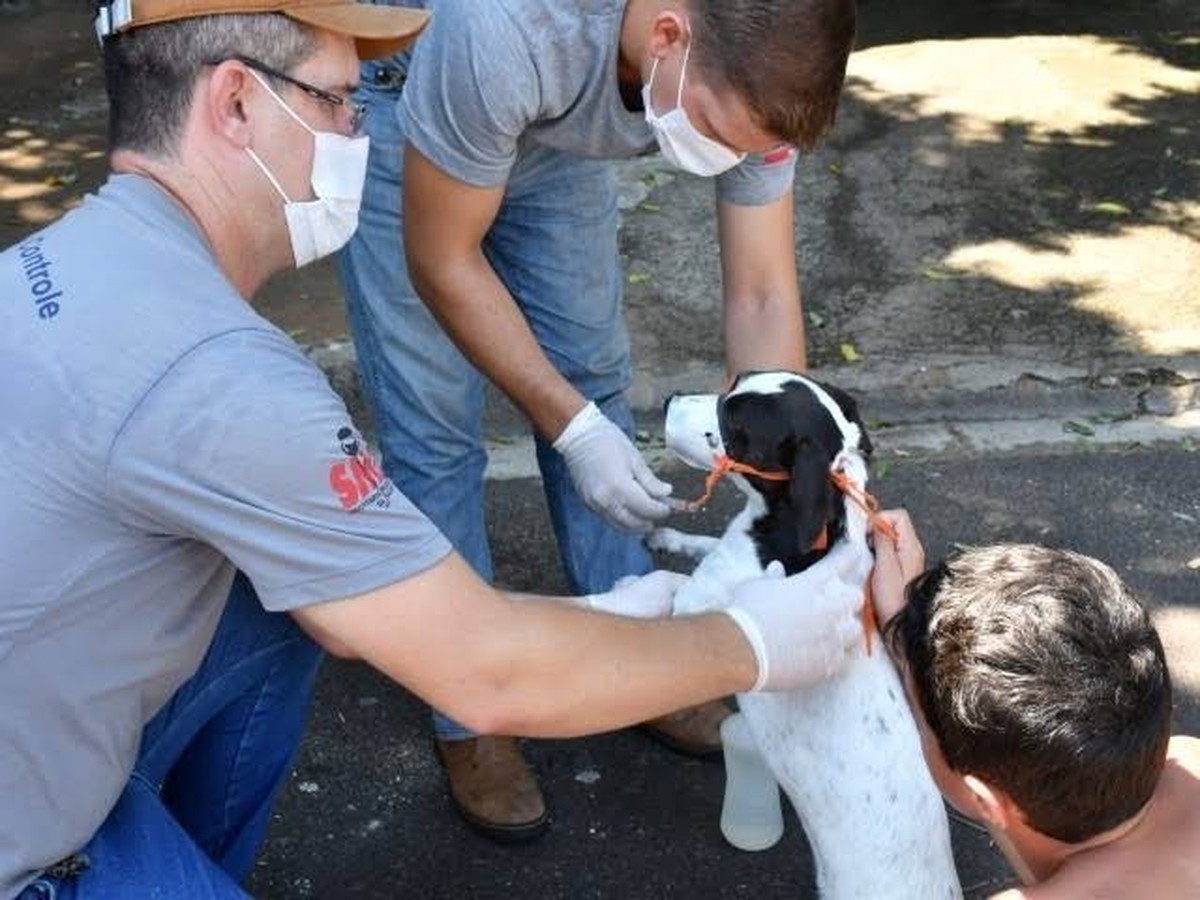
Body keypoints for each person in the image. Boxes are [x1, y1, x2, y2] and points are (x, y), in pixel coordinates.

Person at [0, 1, 875, 896]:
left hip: (33, 736)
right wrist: (751, 644)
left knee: (290, 597)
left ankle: (162, 849)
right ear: (235, 104)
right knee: (425, 453)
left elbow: (348, 612)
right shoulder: (231, 384)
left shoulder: (60, 260)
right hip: (19, 849)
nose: (361, 132)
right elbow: (484, 667)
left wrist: (643, 607)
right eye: (346, 100)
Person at [336, 0, 857, 837]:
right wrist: (573, 432)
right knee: (432, 423)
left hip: (555, 113)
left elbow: (761, 292)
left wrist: (792, 487)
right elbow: (442, 260)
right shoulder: (509, 28)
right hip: (417, 90)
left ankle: (632, 659)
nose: (729, 161)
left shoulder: (751, 68)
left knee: (591, 372)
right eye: (720, 133)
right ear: (667, 39)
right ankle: (468, 707)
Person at [870, 512, 1200, 899]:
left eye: (922, 725)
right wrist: (908, 639)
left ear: (983, 800)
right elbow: (1014, 808)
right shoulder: (1187, 757)